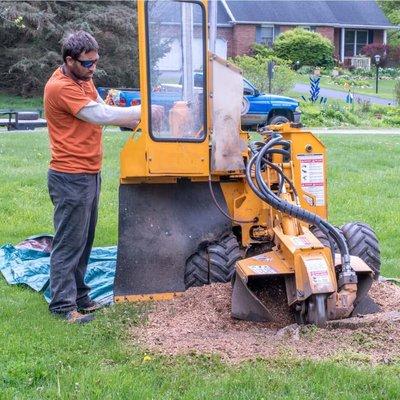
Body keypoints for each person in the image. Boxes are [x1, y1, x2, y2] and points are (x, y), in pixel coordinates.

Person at [44, 30, 162, 323]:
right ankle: (62, 306)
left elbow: (103, 105)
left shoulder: (83, 78)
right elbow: (100, 115)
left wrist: (133, 113)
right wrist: (144, 110)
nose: (93, 68)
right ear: (69, 60)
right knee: (69, 242)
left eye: (96, 62)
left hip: (88, 173)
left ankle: (80, 296)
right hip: (69, 176)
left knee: (84, 241)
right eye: (86, 63)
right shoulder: (61, 87)